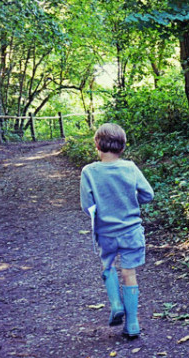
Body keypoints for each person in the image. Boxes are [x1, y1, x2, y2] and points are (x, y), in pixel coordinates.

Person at [80, 123, 154, 336]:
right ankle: (132, 325)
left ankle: (116, 305)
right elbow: (148, 194)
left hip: (106, 232)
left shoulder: (89, 172)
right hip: (131, 231)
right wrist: (130, 200)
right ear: (122, 147)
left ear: (97, 145)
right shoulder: (130, 168)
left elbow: (87, 206)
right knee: (129, 273)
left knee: (108, 266)